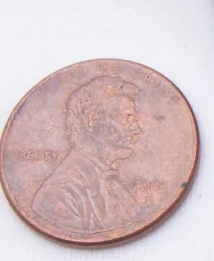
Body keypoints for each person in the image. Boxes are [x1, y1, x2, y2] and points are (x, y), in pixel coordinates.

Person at [32, 76, 144, 232]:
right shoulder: (58, 195)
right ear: (93, 120)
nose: (137, 129)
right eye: (128, 118)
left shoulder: (114, 185)